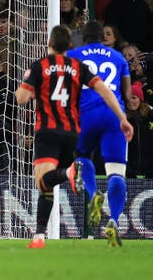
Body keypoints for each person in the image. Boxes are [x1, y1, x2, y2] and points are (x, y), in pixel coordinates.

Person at [15, 25, 133, 249]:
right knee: (117, 173)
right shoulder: (106, 60)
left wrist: (28, 80)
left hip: (62, 125)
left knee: (46, 179)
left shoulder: (50, 63)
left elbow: (22, 98)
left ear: (50, 44)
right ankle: (112, 220)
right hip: (91, 123)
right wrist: (122, 117)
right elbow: (117, 92)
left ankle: (79, 182)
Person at [67, 21, 132, 247]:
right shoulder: (118, 57)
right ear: (103, 37)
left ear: (83, 37)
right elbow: (128, 94)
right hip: (115, 115)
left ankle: (94, 192)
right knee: (116, 173)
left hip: (86, 114)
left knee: (81, 156)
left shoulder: (73, 55)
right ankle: (113, 219)